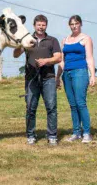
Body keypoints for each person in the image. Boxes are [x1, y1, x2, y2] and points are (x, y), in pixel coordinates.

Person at [14, 14, 62, 146]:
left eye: (43, 25)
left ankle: (52, 136)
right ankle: (31, 135)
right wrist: (21, 44)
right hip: (31, 79)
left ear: (46, 26)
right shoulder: (29, 40)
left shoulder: (52, 40)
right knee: (30, 108)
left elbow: (58, 58)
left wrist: (46, 61)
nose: (41, 27)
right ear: (34, 25)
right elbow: (16, 55)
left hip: (48, 79)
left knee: (51, 107)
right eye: (39, 25)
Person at [56, 15, 95, 143]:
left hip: (80, 72)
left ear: (80, 24)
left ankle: (87, 133)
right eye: (72, 24)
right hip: (66, 74)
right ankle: (76, 132)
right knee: (72, 105)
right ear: (69, 25)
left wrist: (92, 75)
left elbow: (89, 58)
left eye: (76, 23)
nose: (74, 26)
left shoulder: (86, 38)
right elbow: (62, 60)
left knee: (80, 103)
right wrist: (58, 76)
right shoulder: (65, 40)